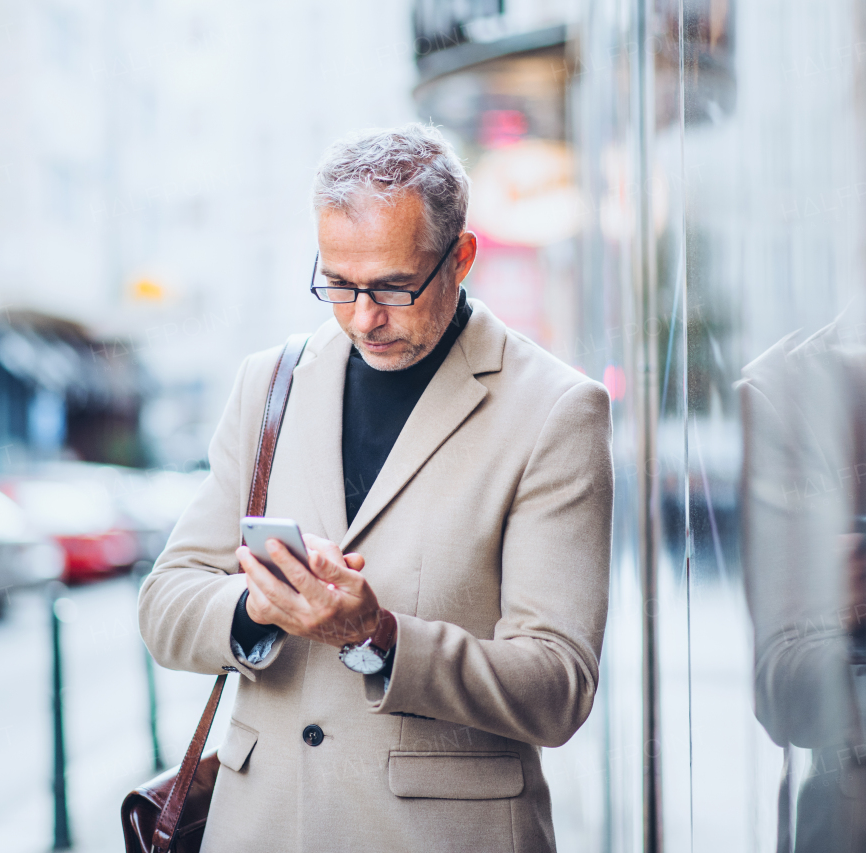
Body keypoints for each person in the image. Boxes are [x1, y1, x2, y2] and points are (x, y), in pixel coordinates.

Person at [138, 123, 614, 853]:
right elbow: (166, 601)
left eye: (393, 286)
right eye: (338, 282)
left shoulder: (554, 408)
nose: (364, 316)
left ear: (461, 258)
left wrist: (379, 637)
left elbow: (558, 686)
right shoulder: (269, 383)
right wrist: (255, 609)